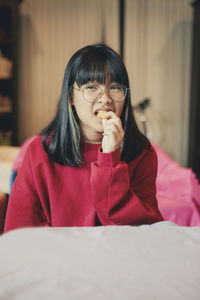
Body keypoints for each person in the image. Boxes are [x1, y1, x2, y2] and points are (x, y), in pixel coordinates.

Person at [4, 44, 163, 232]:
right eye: (91, 87)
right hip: (56, 259)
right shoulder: (40, 151)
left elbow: (141, 232)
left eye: (115, 87)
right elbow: (19, 233)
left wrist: (110, 158)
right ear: (70, 97)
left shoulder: (142, 153)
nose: (105, 99)